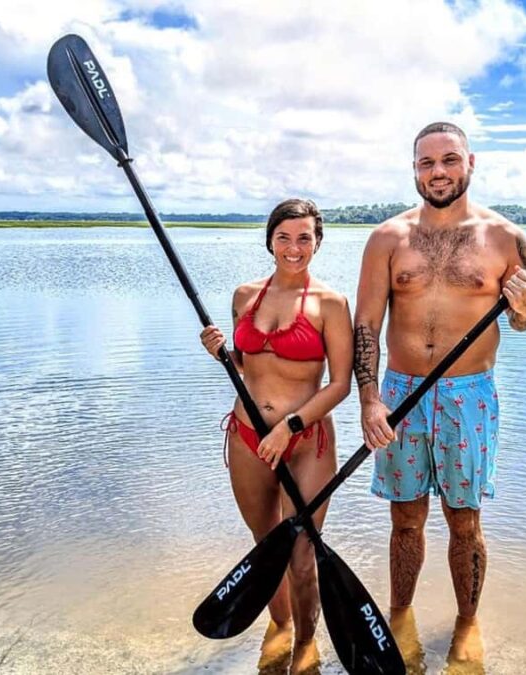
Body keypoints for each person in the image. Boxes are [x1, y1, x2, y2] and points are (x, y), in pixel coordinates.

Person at [353, 122, 526, 667]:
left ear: (470, 162)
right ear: (414, 169)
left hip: (470, 396)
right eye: (426, 163)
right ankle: (399, 615)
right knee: (405, 519)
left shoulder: (505, 238)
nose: (438, 172)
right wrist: (370, 400)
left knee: (465, 520)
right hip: (401, 394)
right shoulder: (387, 238)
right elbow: (365, 324)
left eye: (449, 160)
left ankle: (467, 621)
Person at [200, 198, 353, 674]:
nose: (293, 247)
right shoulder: (245, 296)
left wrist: (290, 427)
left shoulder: (330, 303)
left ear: (318, 242)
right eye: (284, 237)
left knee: (303, 555)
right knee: (265, 544)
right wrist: (222, 354)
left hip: (306, 444)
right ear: (269, 240)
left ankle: (307, 646)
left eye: (304, 237)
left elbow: (341, 384)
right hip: (248, 437)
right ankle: (281, 628)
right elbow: (251, 368)